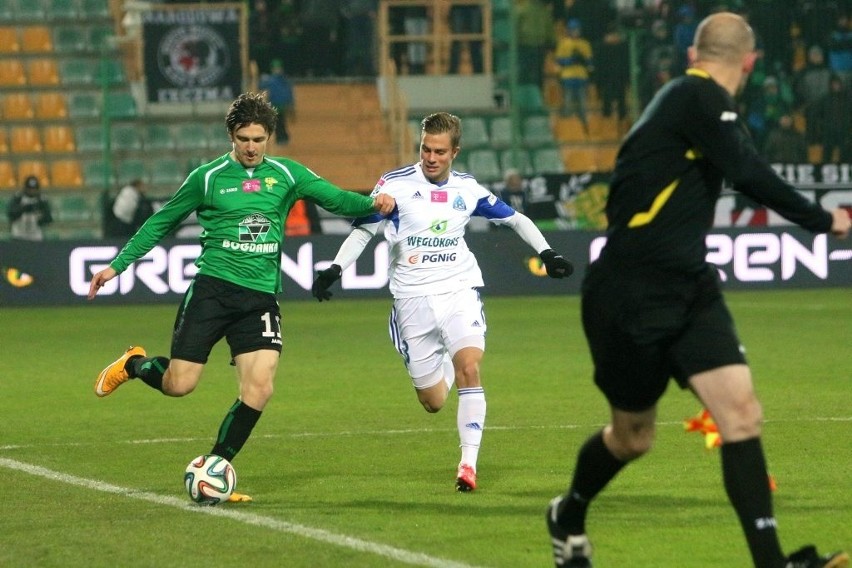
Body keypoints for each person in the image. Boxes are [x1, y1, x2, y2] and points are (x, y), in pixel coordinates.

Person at [545, 12, 851, 568]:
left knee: (741, 414)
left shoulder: (695, 103)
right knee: (633, 437)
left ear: (692, 51)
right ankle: (567, 514)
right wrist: (822, 219)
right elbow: (748, 171)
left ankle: (771, 563)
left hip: (689, 286)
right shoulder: (696, 96)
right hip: (630, 290)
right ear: (752, 63)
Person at [87, 92, 395, 502]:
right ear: (231, 136)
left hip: (260, 298)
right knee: (180, 385)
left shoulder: (286, 175)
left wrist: (375, 204)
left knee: (260, 388)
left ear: (269, 137)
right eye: (244, 138)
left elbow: (336, 199)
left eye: (259, 139)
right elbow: (160, 222)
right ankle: (133, 363)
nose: (251, 147)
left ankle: (216, 468)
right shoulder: (207, 177)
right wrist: (116, 266)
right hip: (212, 291)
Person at [311, 112, 573, 492]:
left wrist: (548, 253)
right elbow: (364, 230)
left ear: (455, 152)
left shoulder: (468, 190)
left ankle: (468, 465)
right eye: (425, 149)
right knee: (433, 401)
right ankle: (437, 359)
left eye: (438, 151)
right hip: (412, 299)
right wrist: (335, 269)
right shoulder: (394, 185)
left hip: (458, 290)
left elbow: (515, 219)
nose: (430, 158)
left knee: (470, 366)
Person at [555, 18, 593, 132]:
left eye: (577, 29)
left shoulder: (585, 44)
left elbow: (589, 61)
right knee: (568, 101)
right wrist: (570, 60)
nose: (575, 32)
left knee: (582, 102)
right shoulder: (563, 44)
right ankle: (567, 125)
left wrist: (583, 61)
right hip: (568, 76)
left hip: (581, 76)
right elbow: (559, 60)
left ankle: (584, 124)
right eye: (573, 29)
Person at [258, 59, 295, 145]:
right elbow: (261, 86)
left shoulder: (284, 80)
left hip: (282, 104)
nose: (277, 70)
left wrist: (291, 104)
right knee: (278, 122)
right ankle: (282, 138)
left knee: (281, 122)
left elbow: (289, 92)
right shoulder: (270, 80)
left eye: (278, 68)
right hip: (274, 104)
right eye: (275, 68)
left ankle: (283, 138)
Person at [7, 175, 53, 241]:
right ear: (25, 188)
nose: (32, 191)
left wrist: (40, 218)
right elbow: (10, 214)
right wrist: (23, 209)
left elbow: (49, 218)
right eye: (30, 188)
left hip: (35, 236)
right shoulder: (18, 198)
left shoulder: (42, 200)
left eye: (34, 189)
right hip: (18, 234)